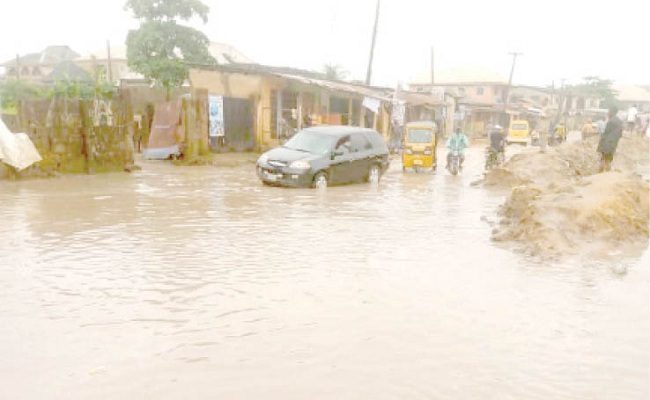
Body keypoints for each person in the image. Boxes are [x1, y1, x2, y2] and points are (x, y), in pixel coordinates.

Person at [597, 106, 624, 172]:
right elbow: (620, 134)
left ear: (612, 112)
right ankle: (607, 174)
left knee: (603, 159)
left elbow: (605, 133)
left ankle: (601, 174)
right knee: (608, 159)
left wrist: (600, 144)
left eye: (608, 111)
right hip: (613, 144)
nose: (607, 113)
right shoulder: (619, 121)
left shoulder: (610, 121)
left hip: (607, 143)